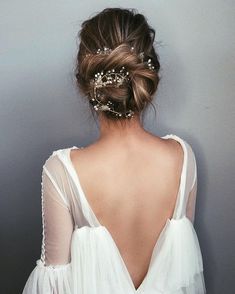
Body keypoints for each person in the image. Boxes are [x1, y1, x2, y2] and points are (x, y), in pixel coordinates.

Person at [22, 7, 206, 293]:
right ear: (148, 80)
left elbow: (52, 286)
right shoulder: (182, 158)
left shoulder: (62, 171)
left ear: (85, 83)